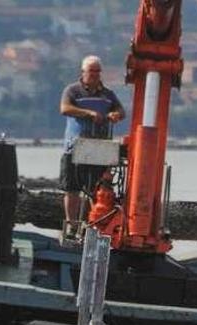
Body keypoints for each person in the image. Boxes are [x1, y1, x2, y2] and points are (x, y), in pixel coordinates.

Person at [59, 55, 125, 232]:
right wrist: (89, 113)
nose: (95, 75)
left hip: (100, 148)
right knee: (71, 189)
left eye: (97, 71)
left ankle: (95, 225)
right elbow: (65, 108)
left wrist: (115, 114)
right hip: (74, 147)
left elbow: (120, 110)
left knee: (96, 189)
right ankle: (71, 225)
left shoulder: (108, 94)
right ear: (83, 72)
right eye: (91, 71)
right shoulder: (72, 90)